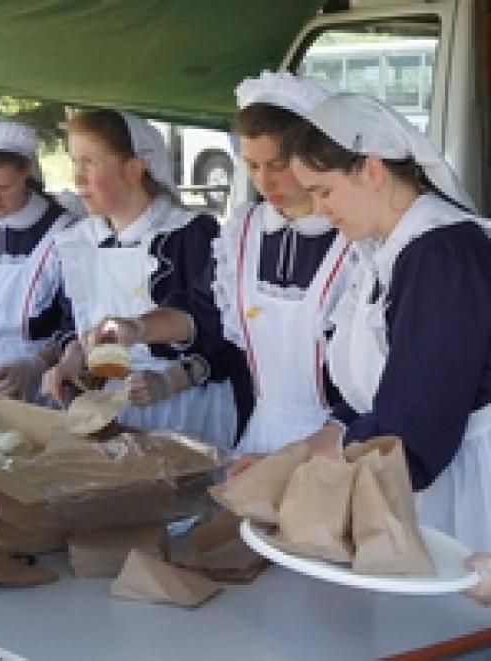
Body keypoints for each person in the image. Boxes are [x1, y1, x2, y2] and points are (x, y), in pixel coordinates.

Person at [82, 72, 355, 467]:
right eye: (251, 165)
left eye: (278, 165)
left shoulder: (349, 238)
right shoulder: (244, 231)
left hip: (336, 441)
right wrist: (138, 328)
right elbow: (202, 313)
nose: (264, 180)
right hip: (259, 429)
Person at [281, 91, 491, 551]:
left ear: (372, 169)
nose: (318, 209)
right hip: (420, 471)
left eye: (324, 190)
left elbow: (422, 411)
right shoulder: (384, 251)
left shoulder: (440, 254)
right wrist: (327, 436)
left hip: (466, 483)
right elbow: (379, 383)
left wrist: (331, 456)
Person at [41, 109, 238, 448]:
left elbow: (223, 332)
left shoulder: (188, 236)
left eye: (90, 163)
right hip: (108, 410)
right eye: (74, 162)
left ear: (133, 169)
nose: (78, 179)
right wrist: (72, 358)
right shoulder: (79, 241)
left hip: (184, 410)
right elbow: (74, 323)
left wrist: (174, 378)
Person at [0, 117, 74, 402]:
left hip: (42, 385)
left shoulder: (64, 234)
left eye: (3, 187)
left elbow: (79, 327)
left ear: (27, 169)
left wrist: (33, 366)